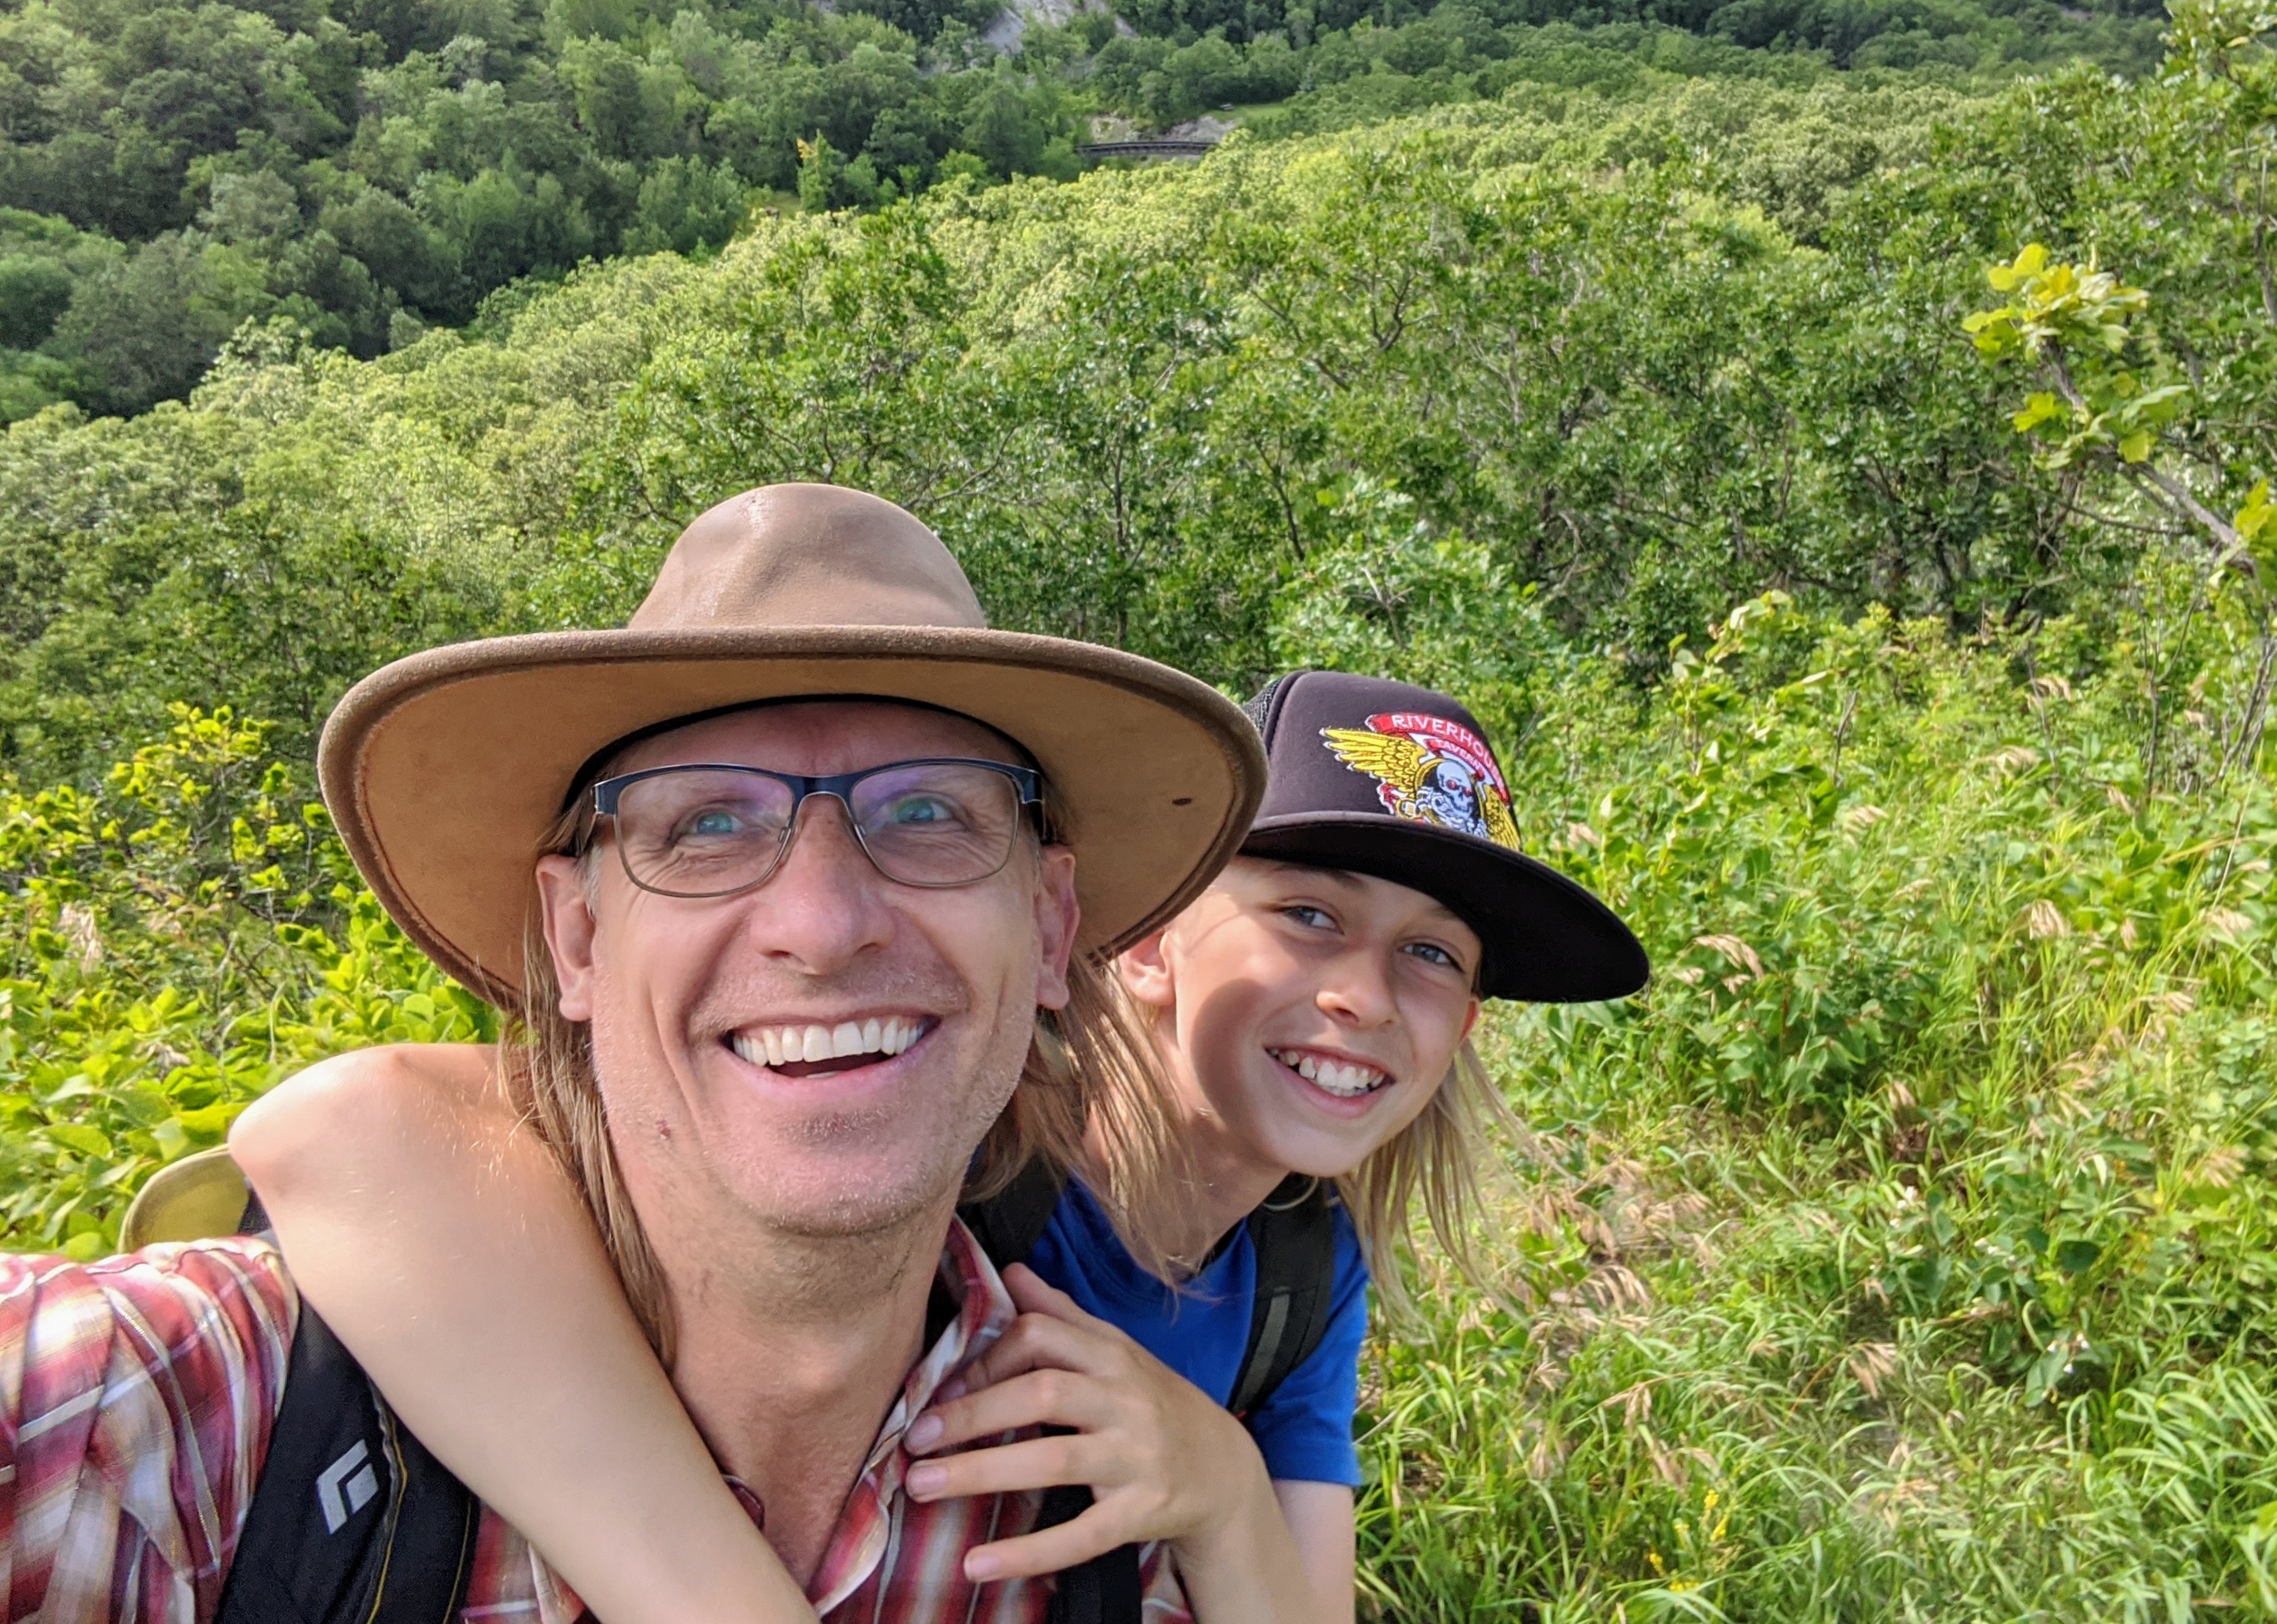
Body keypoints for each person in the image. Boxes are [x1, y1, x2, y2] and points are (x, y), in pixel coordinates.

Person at [0, 482, 1309, 1624]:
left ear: (1049, 917)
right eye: (702, 828)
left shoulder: (1113, 1546)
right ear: (575, 936)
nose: (820, 922)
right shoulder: (196, 1420)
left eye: (928, 813)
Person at [227, 671, 1651, 1624]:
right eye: (1310, 916)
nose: (1360, 993)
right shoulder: (950, 1119)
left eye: (1433, 955)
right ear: (1137, 943)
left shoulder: (1298, 1265)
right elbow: (345, 1129)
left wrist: (1212, 1476)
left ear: (1466, 1023)